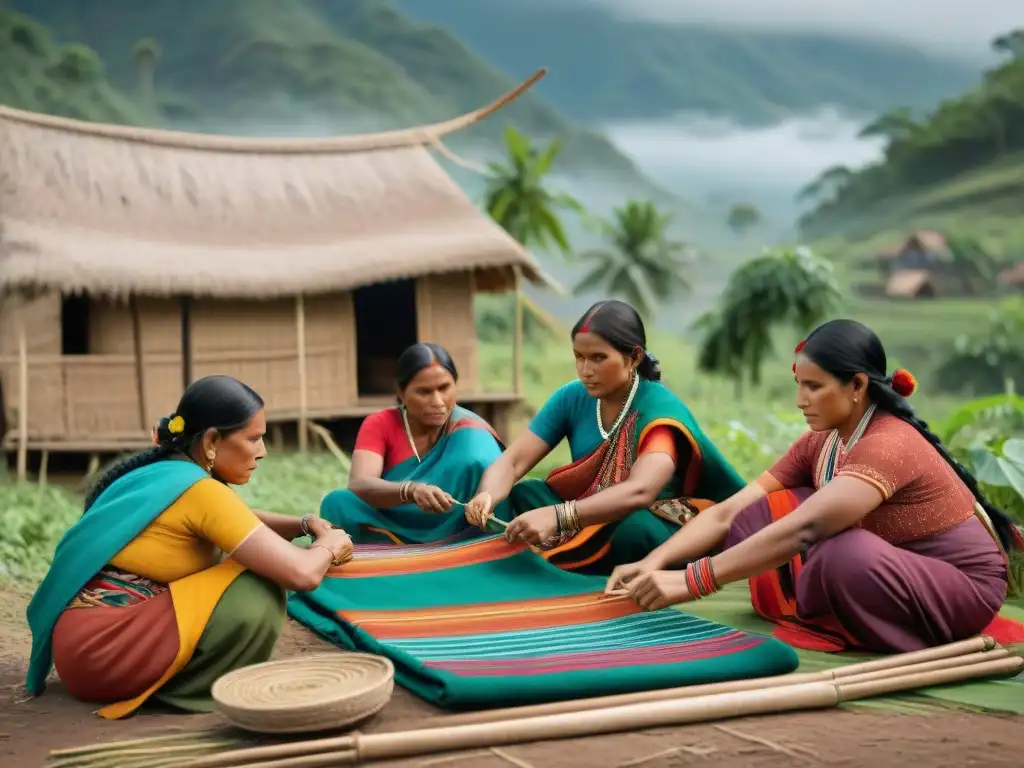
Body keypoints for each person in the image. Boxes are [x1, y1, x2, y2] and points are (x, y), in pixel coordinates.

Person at [606, 319, 1024, 653]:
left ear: (858, 385)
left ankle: (859, 617)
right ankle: (831, 606)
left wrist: (691, 582)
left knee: (841, 551)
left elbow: (808, 530)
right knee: (761, 513)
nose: (801, 400)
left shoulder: (889, 443)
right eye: (799, 386)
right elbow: (730, 511)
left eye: (815, 386)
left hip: (960, 588)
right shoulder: (821, 441)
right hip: (893, 563)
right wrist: (655, 563)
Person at [25, 375, 353, 719]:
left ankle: (164, 676)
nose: (263, 451)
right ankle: (188, 689)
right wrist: (330, 546)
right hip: (109, 653)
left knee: (249, 562)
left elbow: (238, 519)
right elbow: (301, 573)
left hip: (82, 650)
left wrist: (304, 524)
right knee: (259, 582)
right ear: (212, 440)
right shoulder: (201, 492)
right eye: (254, 438)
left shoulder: (162, 472)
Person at [463, 300, 746, 573]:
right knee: (522, 495)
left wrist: (558, 517)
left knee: (635, 532)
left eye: (599, 358)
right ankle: (563, 559)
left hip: (649, 516)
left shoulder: (659, 410)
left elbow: (641, 491)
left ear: (633, 357)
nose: (586, 371)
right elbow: (512, 462)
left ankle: (560, 563)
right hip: (587, 513)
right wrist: (487, 496)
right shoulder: (571, 397)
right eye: (579, 357)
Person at [321, 342, 509, 544]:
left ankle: (472, 548)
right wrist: (410, 491)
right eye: (424, 392)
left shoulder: (471, 430)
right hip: (393, 524)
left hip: (462, 527)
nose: (437, 401)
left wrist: (482, 500)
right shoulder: (381, 423)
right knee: (337, 503)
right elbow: (360, 483)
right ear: (401, 392)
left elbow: (501, 476)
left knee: (482, 466)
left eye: (444, 388)